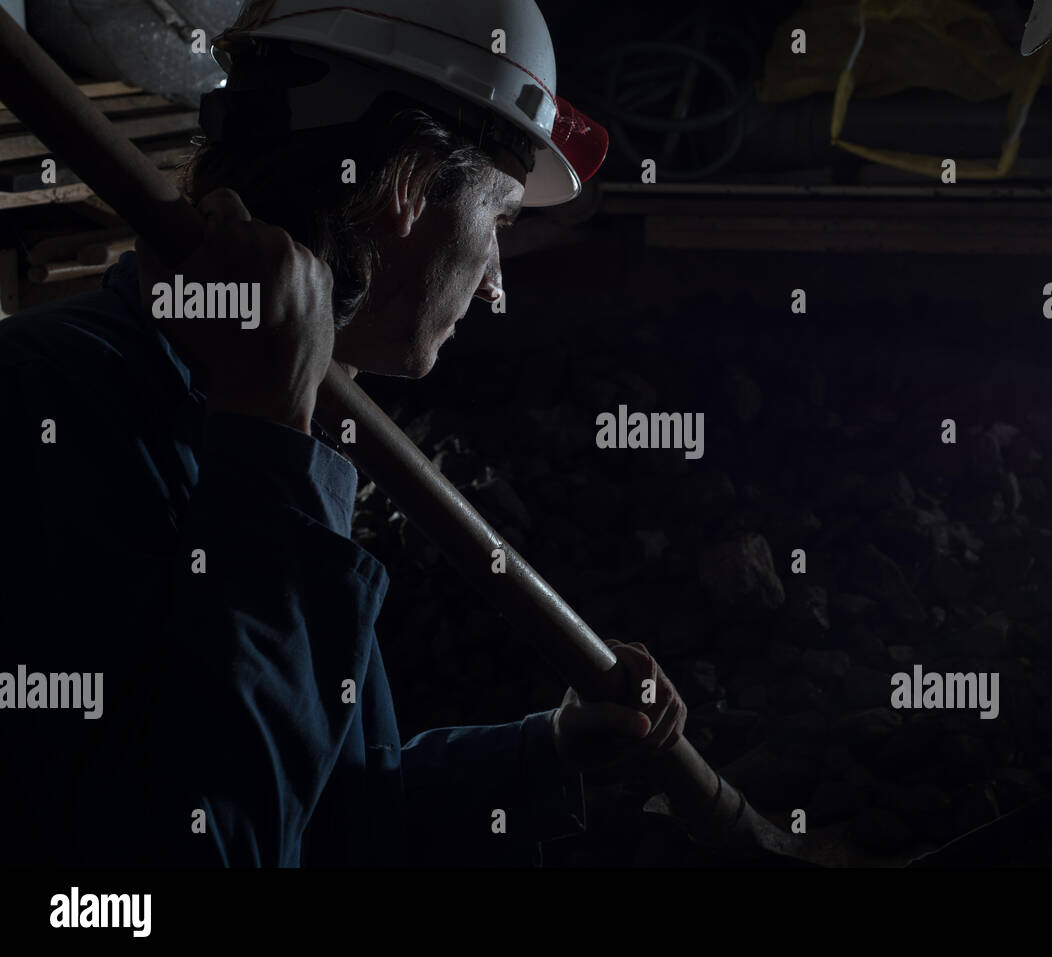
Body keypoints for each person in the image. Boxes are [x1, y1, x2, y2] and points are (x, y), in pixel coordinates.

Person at [0, 0, 686, 867]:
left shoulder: (279, 423)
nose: (494, 288)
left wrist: (541, 750)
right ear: (404, 183)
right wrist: (266, 449)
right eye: (499, 223)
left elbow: (321, 813)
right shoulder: (52, 411)